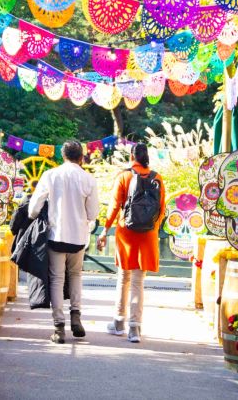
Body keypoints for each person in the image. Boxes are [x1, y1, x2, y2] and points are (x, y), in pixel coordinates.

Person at [29, 141, 99, 344]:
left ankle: (59, 328)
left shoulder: (51, 175)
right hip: (78, 238)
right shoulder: (88, 179)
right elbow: (93, 213)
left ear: (63, 155)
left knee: (57, 279)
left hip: (55, 236)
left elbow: (33, 208)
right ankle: (76, 318)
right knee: (76, 275)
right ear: (81, 156)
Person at [97, 143, 166, 343]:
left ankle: (118, 322)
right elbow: (161, 209)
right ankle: (134, 328)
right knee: (138, 281)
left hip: (126, 233)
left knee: (123, 277)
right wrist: (152, 227)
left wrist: (104, 231)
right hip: (147, 235)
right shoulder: (157, 178)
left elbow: (113, 207)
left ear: (131, 156)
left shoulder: (124, 176)